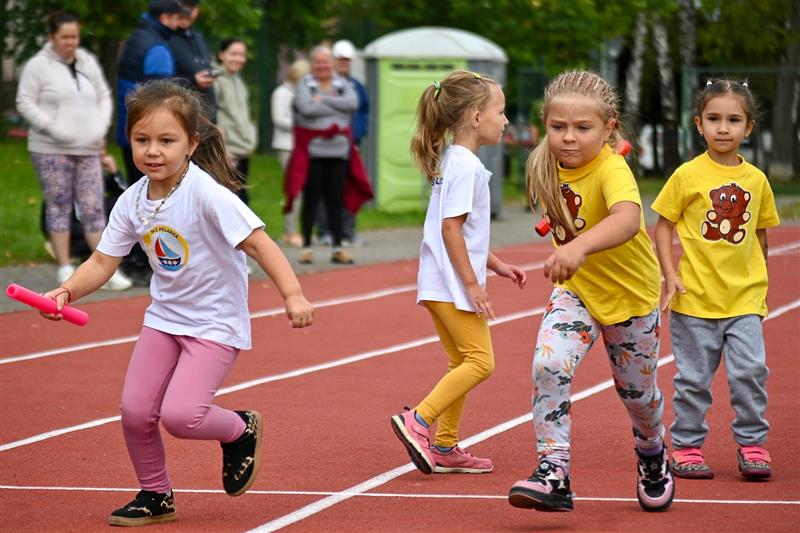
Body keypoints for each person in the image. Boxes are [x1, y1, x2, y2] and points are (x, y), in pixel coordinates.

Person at [39, 79, 314, 527]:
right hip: (165, 319)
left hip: (214, 322)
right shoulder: (132, 200)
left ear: (191, 143)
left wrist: (293, 294)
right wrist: (67, 289)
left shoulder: (207, 194)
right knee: (135, 411)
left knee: (183, 416)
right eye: (142, 140)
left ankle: (240, 428)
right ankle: (156, 494)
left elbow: (260, 244)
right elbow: (103, 260)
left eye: (166, 141)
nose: (153, 151)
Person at [506, 70, 675, 513]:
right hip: (576, 293)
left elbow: (627, 219)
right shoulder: (542, 165)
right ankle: (554, 472)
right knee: (548, 364)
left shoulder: (611, 168)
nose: (569, 138)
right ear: (545, 123)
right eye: (558, 127)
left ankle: (652, 451)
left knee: (637, 396)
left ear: (608, 127)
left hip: (630, 298)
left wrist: (578, 246)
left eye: (583, 128)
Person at [390, 70, 526, 477]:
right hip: (451, 285)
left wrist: (495, 265)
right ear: (474, 116)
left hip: (437, 283)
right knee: (481, 362)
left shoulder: (452, 159)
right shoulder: (466, 167)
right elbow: (451, 228)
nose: (505, 121)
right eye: (500, 112)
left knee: (460, 363)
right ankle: (419, 420)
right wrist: (472, 285)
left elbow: (459, 231)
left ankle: (446, 445)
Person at [652, 79, 780, 481]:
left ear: (749, 127)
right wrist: (670, 275)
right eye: (714, 119)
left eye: (733, 120)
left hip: (743, 300)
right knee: (693, 380)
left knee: (750, 373)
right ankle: (687, 446)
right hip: (695, 301)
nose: (723, 128)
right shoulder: (687, 175)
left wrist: (759, 279)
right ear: (698, 124)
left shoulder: (757, 180)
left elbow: (761, 232)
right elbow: (662, 225)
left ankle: (752, 444)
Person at [16, 11, 132, 290]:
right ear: (52, 37)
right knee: (59, 203)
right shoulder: (38, 66)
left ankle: (103, 267)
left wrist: (100, 127)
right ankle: (64, 265)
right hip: (51, 148)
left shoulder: (87, 61)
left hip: (89, 147)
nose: (71, 42)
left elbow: (104, 96)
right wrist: (54, 128)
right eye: (64, 37)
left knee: (93, 205)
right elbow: (24, 102)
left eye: (74, 36)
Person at [285, 45, 373, 265]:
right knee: (312, 199)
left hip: (339, 152)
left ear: (331, 63)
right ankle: (306, 246)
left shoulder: (342, 84)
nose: (322, 66)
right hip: (313, 152)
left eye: (326, 62)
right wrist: (336, 109)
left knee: (337, 199)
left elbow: (352, 104)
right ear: (312, 64)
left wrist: (323, 100)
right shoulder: (305, 84)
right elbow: (305, 109)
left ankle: (337, 246)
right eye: (318, 62)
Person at [315, 39, 370, 247]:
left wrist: (356, 136)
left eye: (347, 60)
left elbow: (363, 113)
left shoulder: (357, 87)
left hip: (351, 147)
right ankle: (325, 232)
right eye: (340, 60)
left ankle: (348, 232)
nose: (344, 63)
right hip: (326, 146)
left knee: (351, 187)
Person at [272, 58, 310, 246]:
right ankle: (290, 231)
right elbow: (279, 119)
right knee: (294, 190)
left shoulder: (300, 93)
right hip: (286, 146)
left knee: (302, 190)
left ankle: (299, 230)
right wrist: (304, 124)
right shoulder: (282, 93)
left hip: (301, 146)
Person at [214, 37, 257, 205]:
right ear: (221, 55)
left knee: (241, 193)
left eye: (242, 55)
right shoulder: (216, 81)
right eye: (233, 54)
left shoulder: (238, 80)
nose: (238, 59)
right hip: (227, 150)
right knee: (231, 199)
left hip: (243, 148)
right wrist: (221, 148)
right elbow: (211, 117)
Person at [170, 0, 217, 121]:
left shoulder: (197, 37)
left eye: (190, 8)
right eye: (182, 7)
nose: (186, 13)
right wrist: (193, 81)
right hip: (179, 116)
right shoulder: (165, 39)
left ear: (196, 11)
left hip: (204, 117)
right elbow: (159, 82)